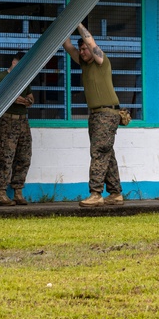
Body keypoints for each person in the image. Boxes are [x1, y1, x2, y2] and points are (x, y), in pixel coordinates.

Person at [63, 22, 123, 207]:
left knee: (98, 151)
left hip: (106, 113)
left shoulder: (101, 60)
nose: (82, 52)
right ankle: (115, 193)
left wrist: (77, 23)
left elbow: (90, 41)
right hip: (96, 115)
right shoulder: (84, 64)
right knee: (107, 153)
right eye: (81, 50)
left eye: (85, 49)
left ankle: (96, 193)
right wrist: (64, 25)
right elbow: (68, 46)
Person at [0, 51, 35, 206]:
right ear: (14, 62)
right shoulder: (0, 77)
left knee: (24, 157)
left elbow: (31, 97)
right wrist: (12, 98)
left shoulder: (24, 78)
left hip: (23, 121)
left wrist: (27, 101)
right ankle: (1, 193)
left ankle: (18, 192)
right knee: (5, 157)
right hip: (7, 120)